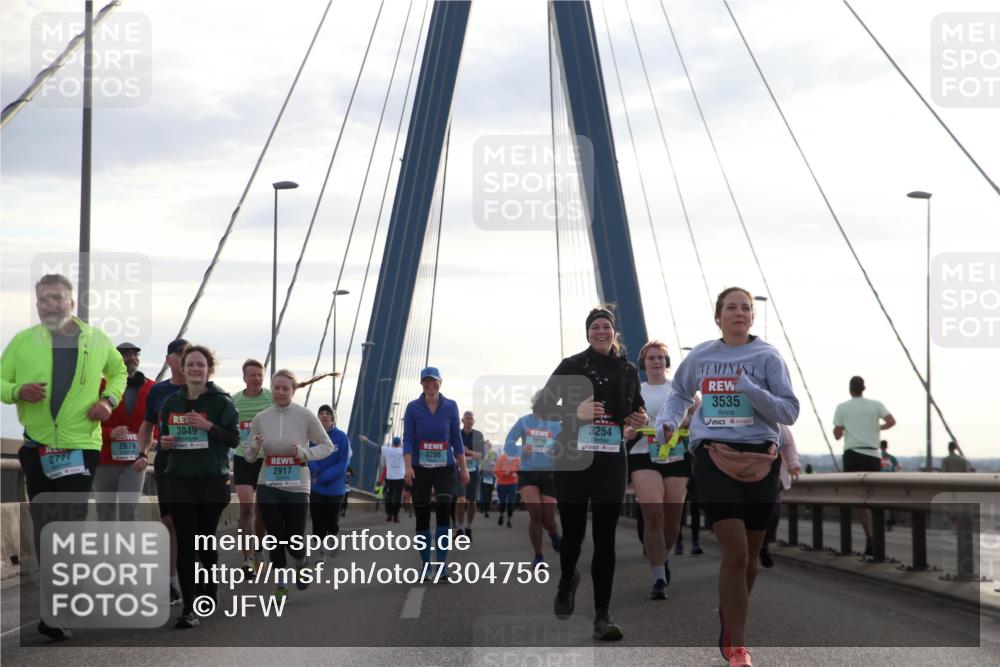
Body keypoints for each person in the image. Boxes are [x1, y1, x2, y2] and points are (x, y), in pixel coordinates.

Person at [657, 287, 799, 667]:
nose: (739, 313)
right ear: (717, 317)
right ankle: (738, 646)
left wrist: (750, 389)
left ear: (753, 317)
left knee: (749, 559)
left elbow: (788, 412)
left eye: (746, 308)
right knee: (735, 552)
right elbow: (679, 394)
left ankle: (729, 618)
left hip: (760, 460)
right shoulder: (702, 355)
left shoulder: (768, 356)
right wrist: (667, 421)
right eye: (731, 307)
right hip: (712, 456)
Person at [1, 274, 127, 640]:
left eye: (56, 298)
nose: (49, 304)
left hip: (80, 446)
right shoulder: (22, 343)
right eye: (43, 299)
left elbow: (118, 373)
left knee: (67, 521)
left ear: (72, 302)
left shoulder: (96, 339)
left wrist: (108, 401)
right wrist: (16, 389)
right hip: (37, 447)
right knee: (45, 525)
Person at [536, 307, 647, 641]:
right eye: (595, 327)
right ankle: (568, 576)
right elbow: (542, 407)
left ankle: (602, 615)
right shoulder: (572, 366)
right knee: (572, 535)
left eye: (606, 327)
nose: (601, 331)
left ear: (614, 333)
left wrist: (636, 425)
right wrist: (576, 410)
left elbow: (636, 413)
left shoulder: (628, 370)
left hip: (611, 459)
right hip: (572, 459)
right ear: (587, 333)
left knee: (605, 536)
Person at [158, 344, 240, 629]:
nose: (195, 369)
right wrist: (163, 443)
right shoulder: (171, 403)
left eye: (200, 365)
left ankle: (211, 586)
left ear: (209, 370)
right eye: (190, 364)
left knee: (205, 541)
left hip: (211, 481)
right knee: (186, 542)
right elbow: (164, 440)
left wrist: (209, 428)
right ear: (182, 367)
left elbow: (233, 440)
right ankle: (189, 609)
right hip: (179, 479)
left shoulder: (222, 402)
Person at [246, 371, 333, 598]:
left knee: (294, 537)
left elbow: (327, 446)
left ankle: (301, 561)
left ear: (293, 391)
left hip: (297, 484)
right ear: (271, 389)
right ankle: (281, 583)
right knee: (274, 535)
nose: (281, 392)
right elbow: (248, 456)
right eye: (277, 388)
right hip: (268, 482)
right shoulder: (261, 418)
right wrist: (255, 446)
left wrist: (304, 453)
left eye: (286, 388)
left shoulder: (305, 416)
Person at [628, 340, 698, 600]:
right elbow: (627, 418)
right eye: (651, 357)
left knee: (671, 522)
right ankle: (658, 577)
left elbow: (699, 415)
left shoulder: (680, 390)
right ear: (643, 363)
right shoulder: (637, 390)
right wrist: (632, 426)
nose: (656, 361)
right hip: (643, 454)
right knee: (654, 516)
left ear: (667, 363)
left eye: (661, 357)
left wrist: (687, 422)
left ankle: (663, 557)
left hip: (676, 456)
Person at [134, 337, 188, 606]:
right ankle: (171, 583)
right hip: (167, 464)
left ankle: (197, 580)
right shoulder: (158, 391)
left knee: (194, 526)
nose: (186, 359)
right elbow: (146, 426)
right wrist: (142, 453)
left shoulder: (203, 389)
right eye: (181, 354)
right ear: (170, 360)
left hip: (199, 469)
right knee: (169, 524)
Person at [403, 366, 469, 577]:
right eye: (426, 382)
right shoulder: (413, 408)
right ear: (421, 384)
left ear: (441, 382)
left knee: (442, 513)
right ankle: (425, 565)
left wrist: (463, 468)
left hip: (445, 468)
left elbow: (456, 439)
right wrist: (407, 467)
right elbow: (408, 440)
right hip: (420, 468)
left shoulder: (450, 406)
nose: (430, 386)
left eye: (434, 382)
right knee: (422, 517)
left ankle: (441, 565)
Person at [833, 375, 896, 556]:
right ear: (864, 388)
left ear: (850, 390)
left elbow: (837, 434)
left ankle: (870, 537)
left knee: (859, 500)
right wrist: (877, 429)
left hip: (852, 455)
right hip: (872, 455)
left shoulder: (842, 407)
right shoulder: (876, 404)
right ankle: (876, 536)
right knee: (872, 496)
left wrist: (843, 429)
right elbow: (891, 421)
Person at [95, 342, 154, 522]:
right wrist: (108, 432)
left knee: (129, 511)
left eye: (135, 354)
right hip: (105, 459)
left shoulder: (151, 387)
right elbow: (86, 421)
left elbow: (157, 420)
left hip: (135, 460)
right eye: (126, 354)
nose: (132, 358)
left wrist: (155, 439)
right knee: (105, 514)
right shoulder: (99, 386)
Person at [504, 391, 563, 568]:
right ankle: (538, 556)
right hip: (528, 473)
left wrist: (558, 450)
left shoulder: (557, 424)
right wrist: (522, 451)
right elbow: (508, 444)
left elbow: (567, 446)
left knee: (548, 520)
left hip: (550, 474)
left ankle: (553, 533)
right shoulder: (524, 421)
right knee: (536, 515)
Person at [232, 359, 272, 573]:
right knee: (246, 508)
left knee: (261, 510)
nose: (257, 378)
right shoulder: (234, 400)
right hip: (242, 457)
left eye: (260, 375)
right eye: (252, 375)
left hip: (266, 460)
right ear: (244, 378)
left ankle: (258, 547)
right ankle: (247, 559)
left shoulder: (271, 398)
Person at [308, 405, 350, 561]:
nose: (324, 416)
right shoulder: (311, 437)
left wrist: (323, 476)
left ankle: (333, 534)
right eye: (321, 413)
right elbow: (307, 456)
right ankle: (321, 551)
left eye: (327, 413)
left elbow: (343, 463)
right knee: (317, 520)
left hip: (334, 488)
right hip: (316, 486)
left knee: (331, 521)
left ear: (332, 418)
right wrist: (315, 471)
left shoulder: (341, 437)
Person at [759, 424, 801, 568]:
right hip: (748, 474)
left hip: (775, 476)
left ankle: (763, 546)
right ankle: (748, 548)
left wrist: (793, 464)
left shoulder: (778, 422)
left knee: (773, 513)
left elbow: (788, 444)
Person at [453, 411, 484, 540]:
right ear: (462, 421)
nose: (469, 420)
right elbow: (451, 453)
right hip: (459, 471)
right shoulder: (456, 434)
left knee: (472, 502)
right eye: (467, 418)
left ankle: (468, 527)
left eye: (471, 418)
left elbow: (481, 455)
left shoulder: (478, 435)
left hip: (473, 472)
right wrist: (460, 457)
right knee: (461, 500)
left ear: (474, 421)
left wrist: (468, 452)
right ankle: (460, 528)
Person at [382, 436, 406, 522]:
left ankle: (389, 514)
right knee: (398, 497)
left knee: (389, 496)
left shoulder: (387, 450)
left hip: (390, 478)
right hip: (400, 478)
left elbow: (376, 446)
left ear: (392, 443)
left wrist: (366, 440)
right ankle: (396, 516)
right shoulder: (403, 451)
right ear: (400, 444)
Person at [495, 451, 520, 527]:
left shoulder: (518, 459)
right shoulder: (501, 458)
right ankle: (501, 515)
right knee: (502, 502)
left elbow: (520, 471)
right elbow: (496, 470)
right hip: (502, 483)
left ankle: (509, 520)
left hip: (513, 483)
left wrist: (516, 474)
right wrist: (504, 473)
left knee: (511, 502)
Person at [479, 444, 497, 517]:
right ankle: (483, 509)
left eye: (487, 446)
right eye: (485, 446)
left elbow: (496, 464)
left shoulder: (493, 454)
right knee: (484, 493)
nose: (486, 447)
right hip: (483, 475)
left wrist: (493, 464)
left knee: (488, 493)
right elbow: (480, 465)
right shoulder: (481, 454)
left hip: (490, 476)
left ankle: (485, 509)